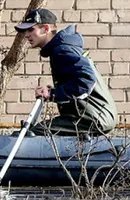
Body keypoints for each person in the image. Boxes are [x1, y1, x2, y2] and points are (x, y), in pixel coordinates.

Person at [14, 8, 117, 136]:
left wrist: (52, 94)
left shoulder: (62, 50)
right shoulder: (61, 48)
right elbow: (76, 81)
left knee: (34, 135)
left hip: (93, 118)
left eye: (31, 29)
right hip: (95, 116)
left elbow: (86, 81)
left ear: (46, 29)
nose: (27, 35)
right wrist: (52, 91)